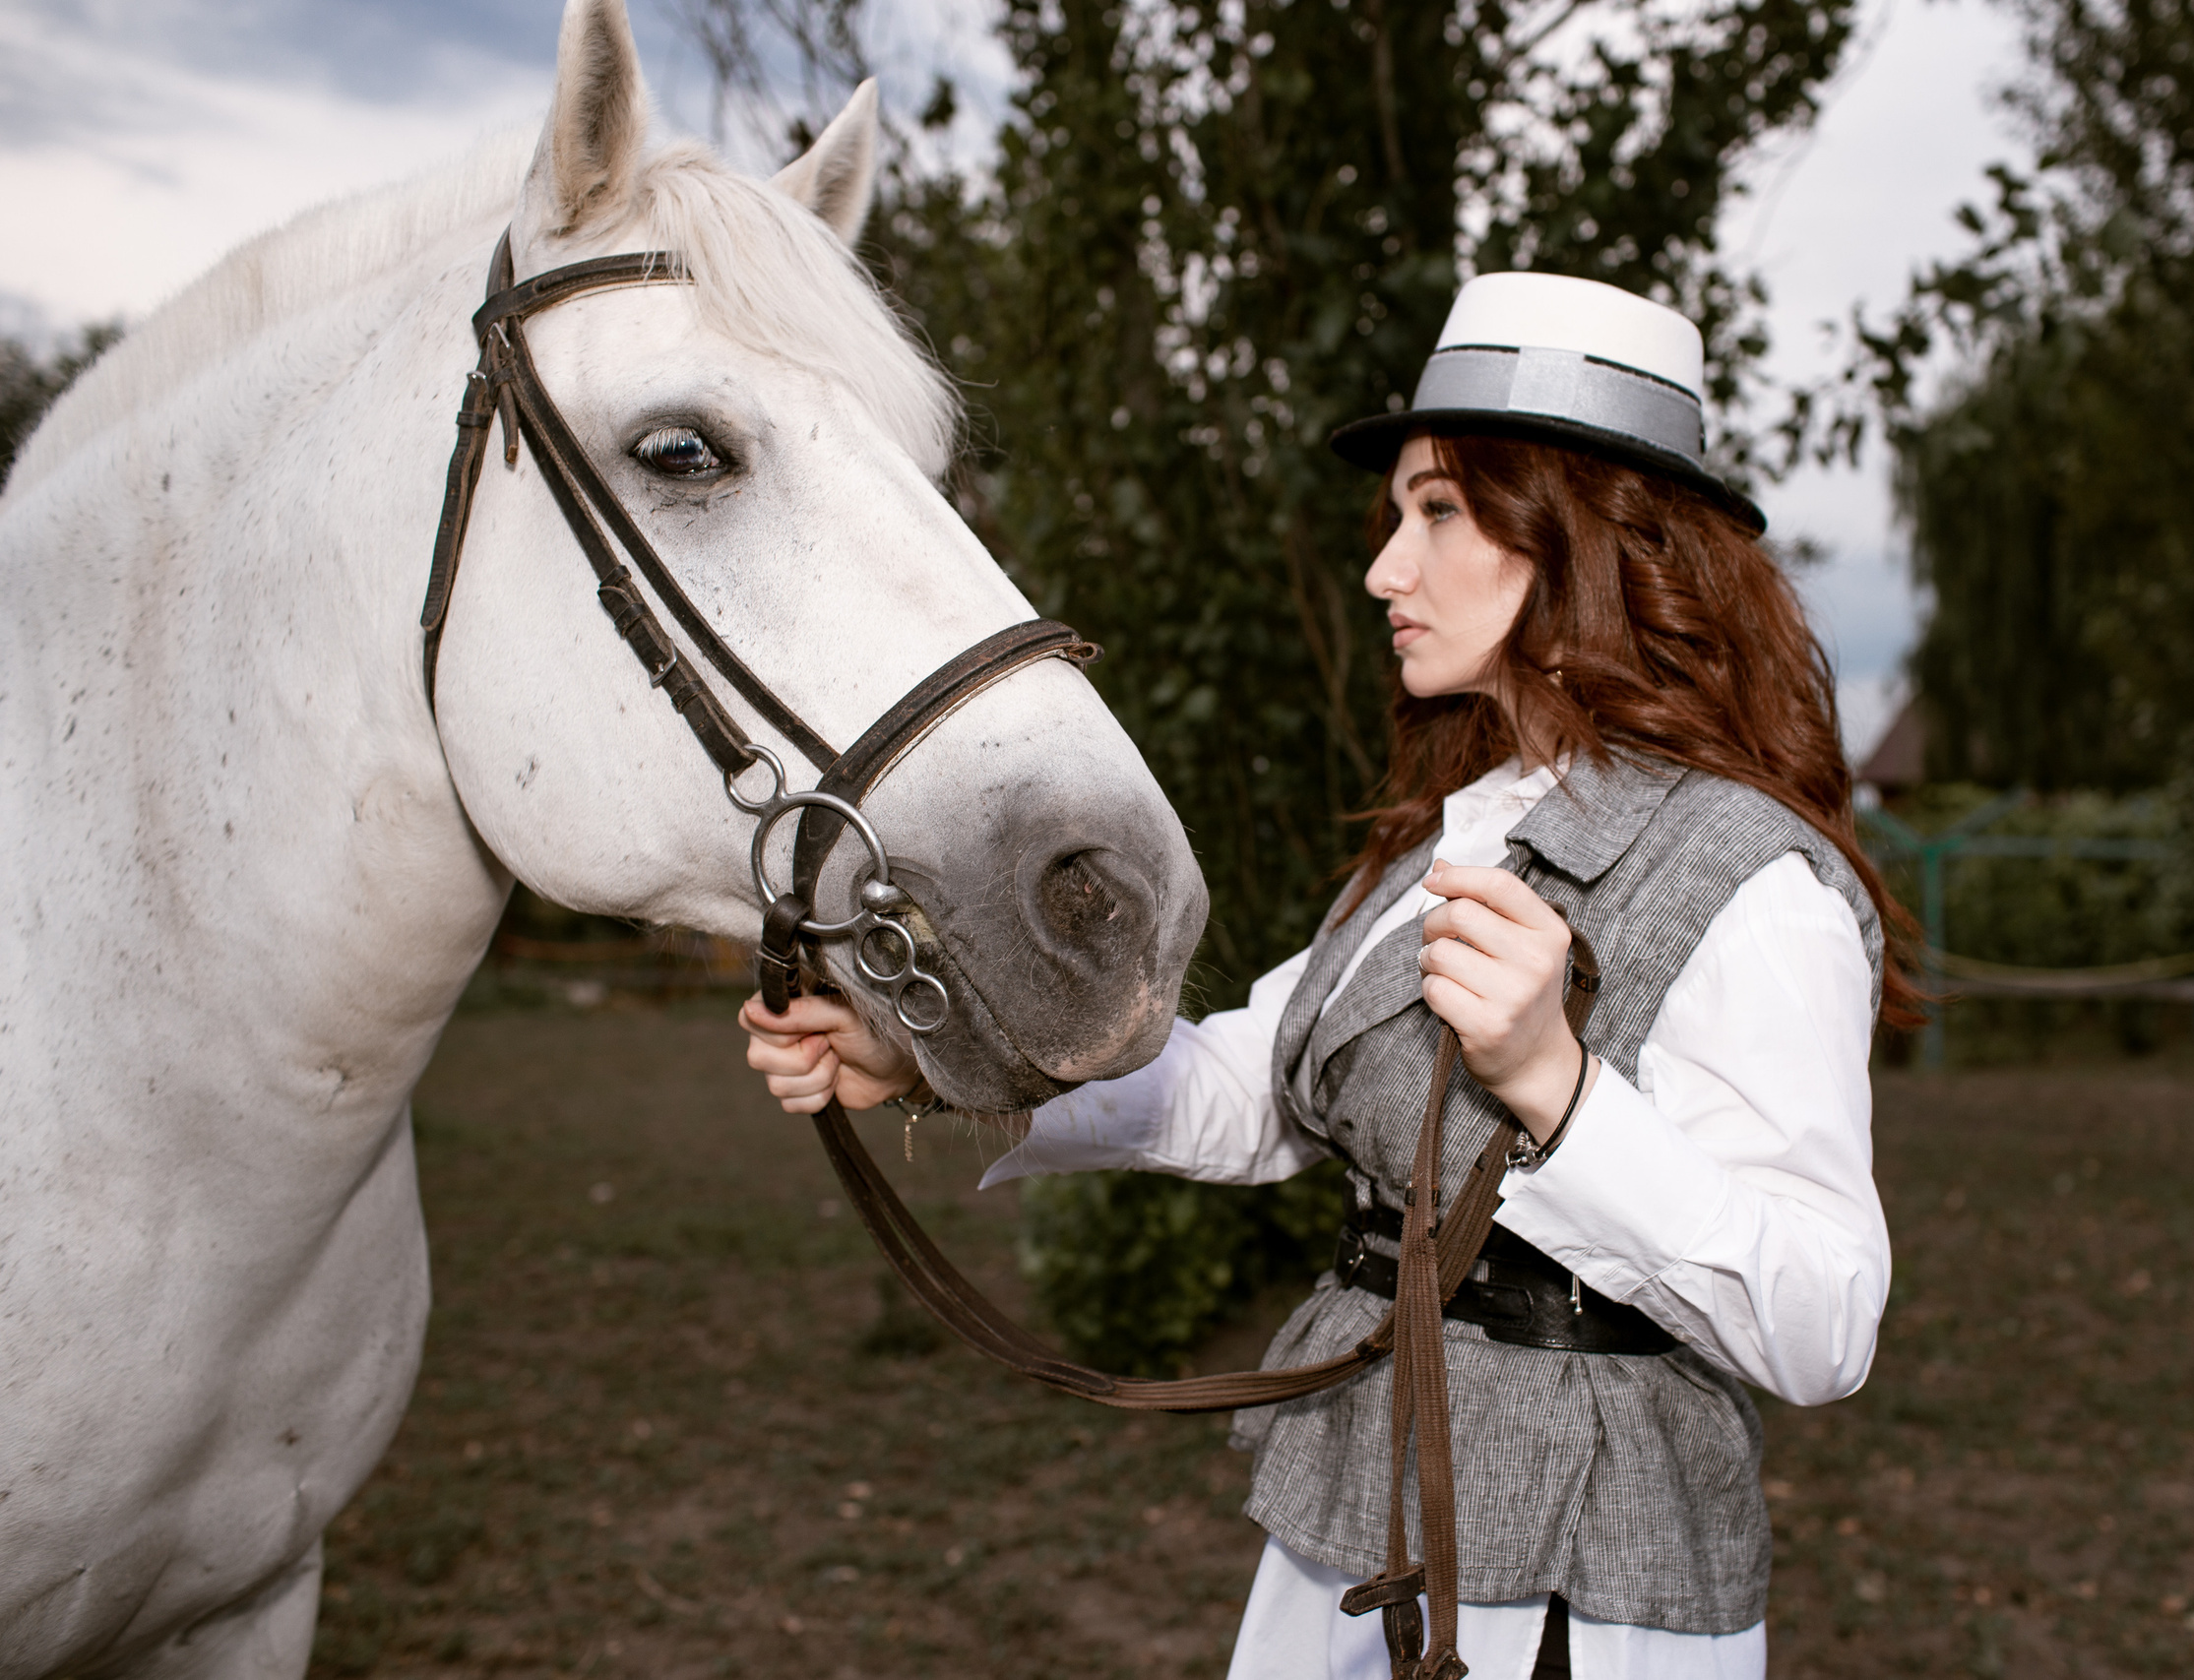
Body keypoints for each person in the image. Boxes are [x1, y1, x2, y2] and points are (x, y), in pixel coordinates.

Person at [739, 271, 1916, 1680]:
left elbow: (1823, 1324)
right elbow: (1246, 1088)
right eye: (1397, 518)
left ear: (1583, 536)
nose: (1384, 571)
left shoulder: (1760, 881)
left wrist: (1558, 1090)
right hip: (1358, 1522)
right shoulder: (1456, 831)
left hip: (1575, 1597)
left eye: (1439, 512)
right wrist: (929, 1054)